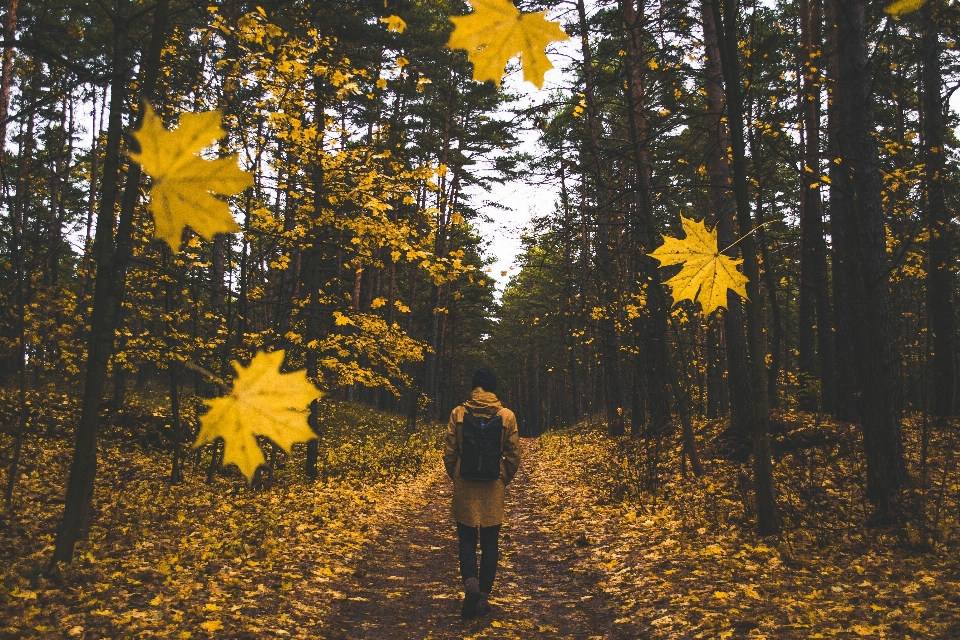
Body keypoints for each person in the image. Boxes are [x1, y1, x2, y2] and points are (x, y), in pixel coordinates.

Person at [443, 368, 520, 619]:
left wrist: (455, 475)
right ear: (493, 388)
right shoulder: (506, 416)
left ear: (474, 387)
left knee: (465, 539)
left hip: (465, 483)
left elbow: (450, 451)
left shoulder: (459, 413)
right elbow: (513, 456)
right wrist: (502, 478)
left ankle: (471, 585)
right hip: (493, 486)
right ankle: (483, 596)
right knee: (490, 542)